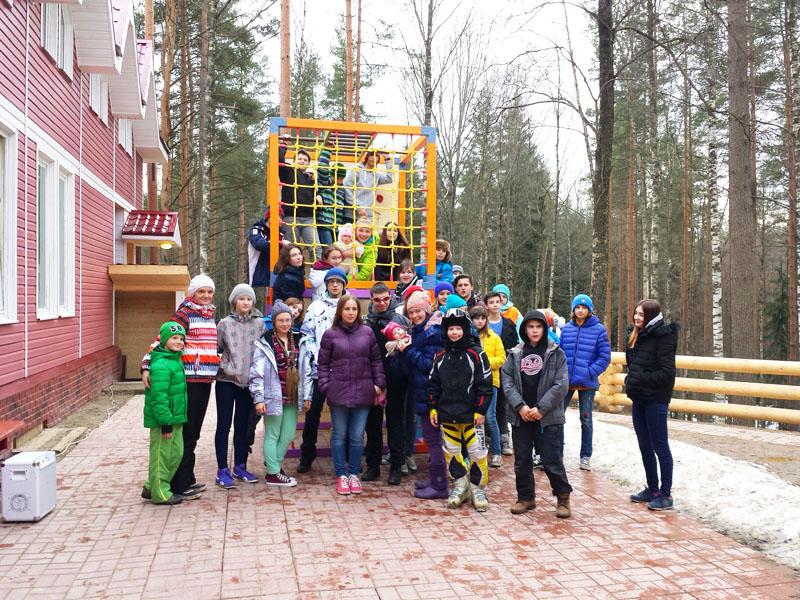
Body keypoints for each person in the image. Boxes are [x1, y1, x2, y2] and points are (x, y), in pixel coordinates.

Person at [141, 274, 219, 499]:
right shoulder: (185, 313)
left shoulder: (208, 314)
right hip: (189, 380)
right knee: (186, 433)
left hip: (204, 379)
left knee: (193, 432)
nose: (206, 296)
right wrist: (146, 365)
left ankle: (186, 477)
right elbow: (162, 340)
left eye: (209, 292)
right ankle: (179, 483)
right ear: (192, 293)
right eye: (201, 291)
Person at [502, 310, 572, 519]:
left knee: (551, 459)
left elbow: (561, 384)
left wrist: (541, 408)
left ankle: (563, 497)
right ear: (524, 329)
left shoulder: (556, 353)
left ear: (544, 329)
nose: (534, 331)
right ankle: (525, 497)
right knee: (522, 460)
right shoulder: (515, 353)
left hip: (548, 417)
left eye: (538, 327)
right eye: (530, 327)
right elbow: (507, 382)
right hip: (521, 416)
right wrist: (520, 406)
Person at [318, 296, 386, 495]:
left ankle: (354, 473)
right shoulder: (330, 334)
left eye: (354, 309)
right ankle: (341, 474)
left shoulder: (367, 333)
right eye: (347, 309)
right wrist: (326, 386)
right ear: (340, 311)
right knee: (339, 435)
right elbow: (323, 364)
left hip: (363, 392)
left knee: (357, 436)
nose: (350, 312)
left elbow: (376, 360)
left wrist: (378, 384)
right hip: (338, 393)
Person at [428, 308, 493, 511]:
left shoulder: (477, 354)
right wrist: (433, 407)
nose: (454, 332)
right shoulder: (440, 355)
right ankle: (460, 485)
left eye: (458, 328)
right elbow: (433, 384)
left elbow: (485, 384)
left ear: (465, 329)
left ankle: (477, 488)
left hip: (472, 415)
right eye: (450, 329)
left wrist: (481, 410)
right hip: (447, 414)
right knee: (452, 452)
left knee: (477, 453)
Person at [625, 299, 679, 511]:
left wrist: (639, 378)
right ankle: (653, 489)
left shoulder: (664, 337)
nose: (637, 317)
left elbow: (667, 374)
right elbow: (633, 366)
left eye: (641, 314)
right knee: (644, 446)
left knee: (660, 446)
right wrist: (631, 380)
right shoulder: (635, 335)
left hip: (656, 400)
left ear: (651, 317)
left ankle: (666, 494)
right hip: (639, 398)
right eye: (636, 313)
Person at [250, 301, 308, 487]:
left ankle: (272, 465)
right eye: (280, 320)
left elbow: (306, 369)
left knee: (288, 434)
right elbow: (257, 373)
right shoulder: (264, 342)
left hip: (292, 395)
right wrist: (259, 399)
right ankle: (273, 473)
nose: (285, 324)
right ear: (274, 322)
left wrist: (307, 395)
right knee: (273, 433)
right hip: (273, 395)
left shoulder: (299, 339)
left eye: (288, 320)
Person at [297, 267, 348, 472]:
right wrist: (315, 355)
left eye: (338, 281)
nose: (334, 285)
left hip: (343, 372)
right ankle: (307, 456)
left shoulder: (349, 305)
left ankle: (345, 456)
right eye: (331, 281)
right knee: (313, 414)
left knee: (343, 415)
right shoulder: (315, 307)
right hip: (320, 371)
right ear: (326, 284)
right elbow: (307, 334)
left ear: (343, 284)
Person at [214, 284, 264, 489]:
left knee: (243, 425)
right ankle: (222, 470)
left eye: (249, 299)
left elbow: (263, 351)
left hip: (248, 382)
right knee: (224, 425)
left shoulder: (260, 324)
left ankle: (240, 466)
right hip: (226, 380)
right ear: (234, 301)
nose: (245, 302)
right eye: (241, 298)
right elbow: (216, 348)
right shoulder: (224, 324)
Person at [398, 290, 446, 499]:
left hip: (431, 393)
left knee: (434, 441)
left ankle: (440, 485)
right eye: (411, 312)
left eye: (418, 311)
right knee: (431, 438)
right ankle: (435, 479)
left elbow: (429, 364)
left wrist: (408, 350)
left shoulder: (433, 332)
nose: (415, 315)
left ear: (426, 309)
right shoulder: (421, 329)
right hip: (423, 391)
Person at [364, 283, 411, 485]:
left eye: (385, 299)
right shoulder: (367, 323)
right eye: (377, 300)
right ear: (371, 300)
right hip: (374, 379)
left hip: (396, 379)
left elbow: (409, 346)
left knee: (395, 423)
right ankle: (373, 466)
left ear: (390, 298)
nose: (382, 303)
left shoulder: (399, 320)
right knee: (372, 424)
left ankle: (396, 467)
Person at [560, 294, 611, 472]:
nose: (580, 310)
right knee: (557, 417)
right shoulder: (567, 329)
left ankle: (585, 456)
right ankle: (557, 452)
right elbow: (560, 353)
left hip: (587, 383)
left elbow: (604, 357)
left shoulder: (599, 329)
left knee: (586, 419)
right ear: (573, 309)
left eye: (584, 307)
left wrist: (590, 372)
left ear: (589, 310)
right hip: (566, 381)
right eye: (577, 307)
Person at [141, 322, 189, 505]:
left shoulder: (175, 359)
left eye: (181, 339)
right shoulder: (161, 364)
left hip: (175, 417)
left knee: (175, 454)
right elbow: (159, 397)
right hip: (164, 421)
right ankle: (160, 493)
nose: (179, 342)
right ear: (163, 340)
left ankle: (150, 486)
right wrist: (165, 422)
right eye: (174, 338)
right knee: (161, 456)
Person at [469, 304, 507, 468]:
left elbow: (502, 358)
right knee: (472, 418)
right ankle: (474, 452)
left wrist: (483, 363)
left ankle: (497, 452)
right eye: (476, 318)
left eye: (482, 318)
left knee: (490, 417)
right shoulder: (467, 338)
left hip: (491, 382)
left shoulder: (494, 337)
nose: (479, 321)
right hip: (472, 383)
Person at [485, 290, 520, 456]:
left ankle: (504, 438)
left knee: (502, 404)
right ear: (486, 305)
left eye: (497, 302)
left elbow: (514, 347)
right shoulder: (482, 324)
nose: (495, 305)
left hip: (504, 369)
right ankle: (489, 437)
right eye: (491, 302)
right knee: (487, 405)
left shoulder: (509, 324)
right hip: (486, 371)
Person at [278, 143, 321, 259]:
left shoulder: (311, 179)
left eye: (305, 160)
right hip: (291, 217)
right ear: (294, 161)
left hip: (308, 219)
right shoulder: (288, 172)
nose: (302, 161)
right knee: (291, 248)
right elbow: (280, 161)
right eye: (299, 159)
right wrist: (283, 146)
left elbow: (314, 198)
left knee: (316, 247)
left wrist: (318, 200)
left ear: (308, 164)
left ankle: (316, 269)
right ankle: (290, 269)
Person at [343, 150, 393, 220]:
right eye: (371, 155)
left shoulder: (376, 176)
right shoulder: (355, 169)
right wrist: (358, 207)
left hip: (367, 217)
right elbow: (347, 188)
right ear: (366, 157)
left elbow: (389, 179)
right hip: (351, 215)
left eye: (376, 156)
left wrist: (387, 159)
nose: (374, 157)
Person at [247, 207, 286, 293]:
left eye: (281, 217)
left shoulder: (281, 233)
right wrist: (278, 243)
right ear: (269, 218)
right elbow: (259, 244)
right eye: (278, 216)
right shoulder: (256, 230)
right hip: (258, 277)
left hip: (276, 276)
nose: (280, 219)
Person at [314, 147, 339, 246]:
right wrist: (328, 151)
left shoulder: (333, 187)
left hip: (331, 224)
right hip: (323, 222)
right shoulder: (322, 182)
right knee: (328, 249)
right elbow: (323, 169)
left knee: (332, 249)